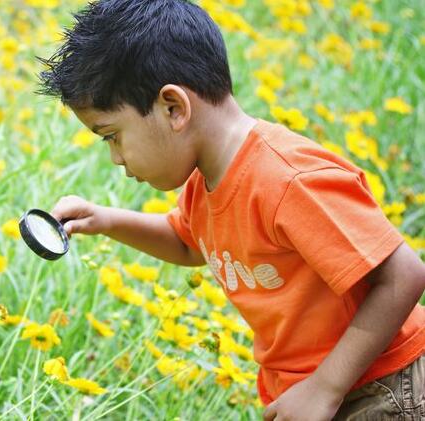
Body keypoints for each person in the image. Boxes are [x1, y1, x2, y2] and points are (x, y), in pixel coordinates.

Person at [36, 0, 425, 419]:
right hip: (317, 386)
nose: (116, 157)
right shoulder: (207, 180)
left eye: (112, 136)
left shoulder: (288, 181)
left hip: (381, 384)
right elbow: (189, 244)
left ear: (174, 108)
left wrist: (325, 388)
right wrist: (106, 220)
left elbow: (403, 275)